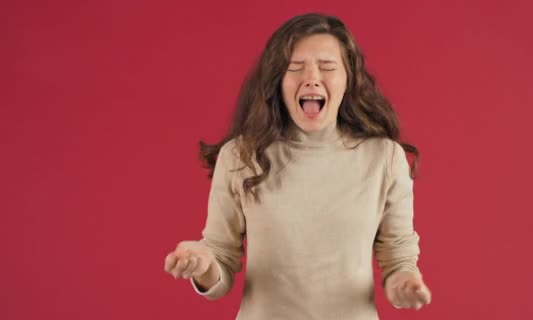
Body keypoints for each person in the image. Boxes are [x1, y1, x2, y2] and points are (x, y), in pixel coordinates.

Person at [164, 13, 432, 319]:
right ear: (277, 80)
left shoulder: (384, 158)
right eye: (295, 68)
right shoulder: (240, 156)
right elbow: (220, 262)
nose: (312, 78)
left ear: (349, 78)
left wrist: (403, 285)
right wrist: (204, 264)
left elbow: (398, 261)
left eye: (328, 67)